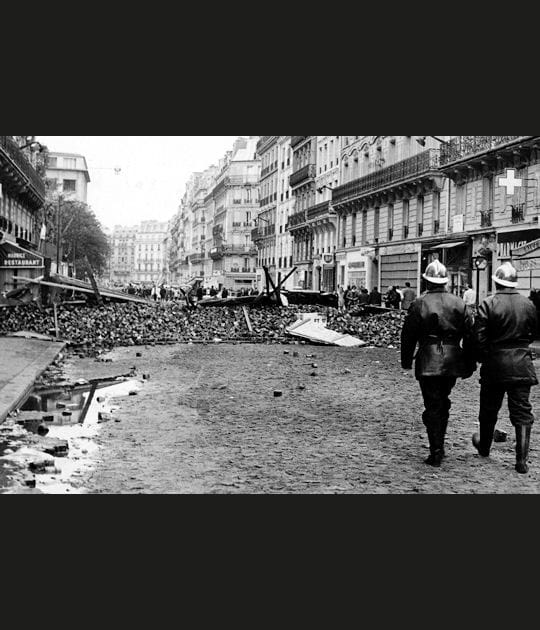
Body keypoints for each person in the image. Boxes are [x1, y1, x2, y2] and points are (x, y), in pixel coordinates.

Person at [401, 260, 476, 467]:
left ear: (427, 280)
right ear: (445, 281)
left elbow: (408, 335)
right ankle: (438, 445)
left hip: (428, 359)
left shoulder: (419, 303)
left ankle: (436, 450)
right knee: (442, 401)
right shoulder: (459, 303)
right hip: (452, 359)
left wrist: (406, 361)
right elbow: (471, 335)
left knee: (432, 404)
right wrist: (469, 363)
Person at [472, 262, 538, 474]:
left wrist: (483, 358)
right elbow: (534, 332)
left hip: (495, 364)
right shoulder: (528, 304)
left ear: (496, 282)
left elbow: (478, 338)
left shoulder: (488, 303)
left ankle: (484, 447)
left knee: (489, 409)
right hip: (522, 363)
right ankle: (522, 460)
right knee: (522, 412)